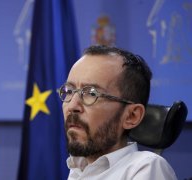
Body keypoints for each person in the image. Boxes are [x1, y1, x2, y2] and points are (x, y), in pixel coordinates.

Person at [57, 45, 177, 179]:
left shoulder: (146, 167)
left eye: (91, 93)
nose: (72, 106)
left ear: (132, 116)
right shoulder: (78, 167)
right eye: (69, 91)